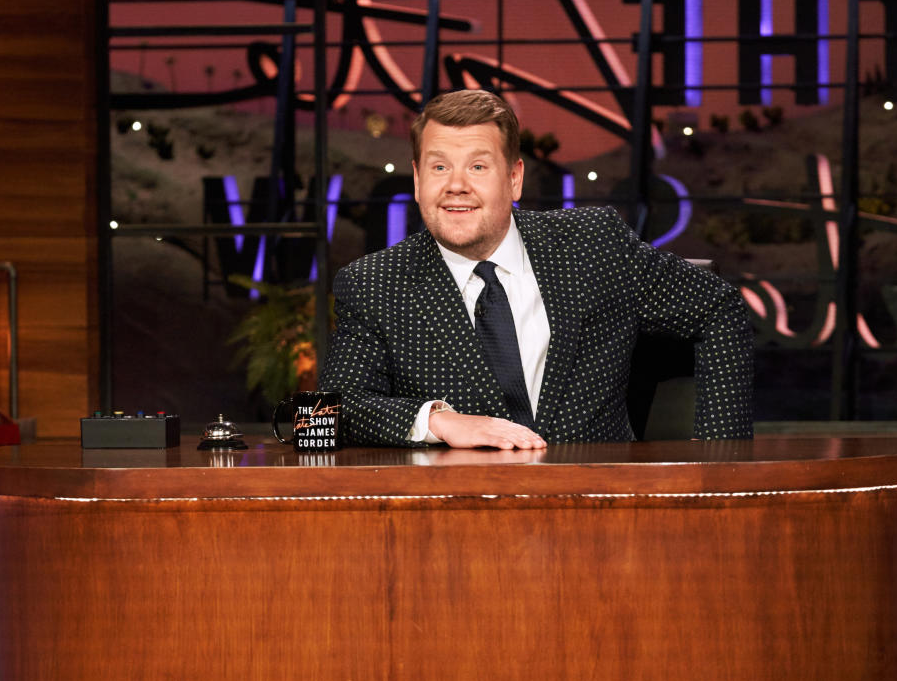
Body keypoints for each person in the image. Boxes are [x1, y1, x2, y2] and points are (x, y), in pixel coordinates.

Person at [319, 89, 753, 449]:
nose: (456, 184)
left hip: (604, 516)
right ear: (416, 180)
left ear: (514, 178)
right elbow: (332, 410)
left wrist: (719, 462)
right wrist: (437, 420)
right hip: (462, 526)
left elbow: (718, 307)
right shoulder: (376, 283)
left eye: (477, 166)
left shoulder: (593, 245)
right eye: (439, 167)